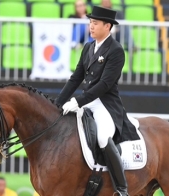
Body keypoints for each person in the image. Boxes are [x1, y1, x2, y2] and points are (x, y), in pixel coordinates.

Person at [54, 6, 140, 196]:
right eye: (90, 23)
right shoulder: (88, 47)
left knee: (102, 137)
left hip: (105, 104)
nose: (91, 27)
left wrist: (78, 101)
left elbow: (105, 84)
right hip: (87, 100)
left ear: (107, 26)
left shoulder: (116, 50)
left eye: (95, 23)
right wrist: (58, 103)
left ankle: (121, 188)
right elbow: (75, 78)